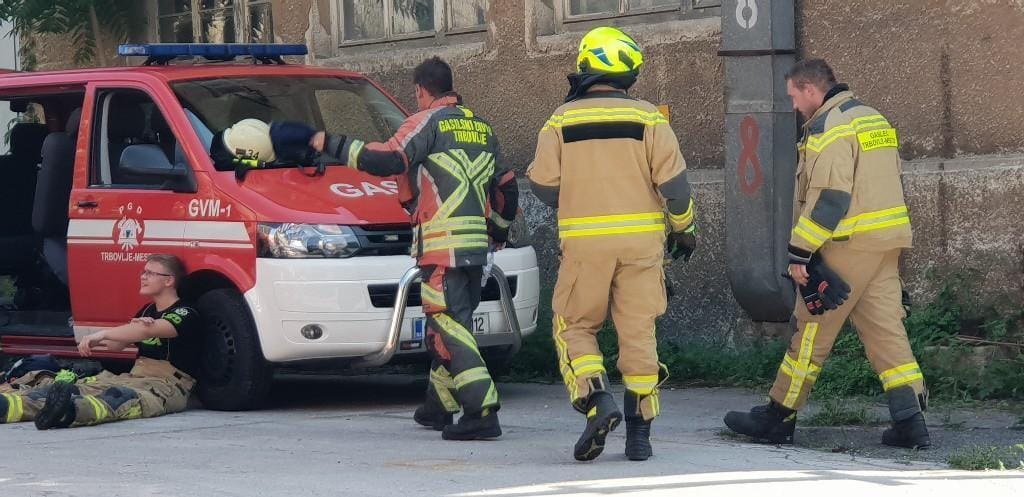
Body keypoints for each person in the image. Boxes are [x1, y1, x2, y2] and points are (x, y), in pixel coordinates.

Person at [268, 57, 518, 441]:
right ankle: (439, 406)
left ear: (421, 90)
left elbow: (384, 160)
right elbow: (508, 186)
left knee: (447, 325)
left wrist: (324, 141)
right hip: (475, 249)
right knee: (455, 325)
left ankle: (481, 409)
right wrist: (497, 233)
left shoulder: (425, 122)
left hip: (441, 249)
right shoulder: (480, 127)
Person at [723, 58, 929, 449]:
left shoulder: (829, 127)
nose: (794, 106)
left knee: (810, 329)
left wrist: (800, 254)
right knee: (887, 332)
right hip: (885, 242)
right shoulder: (872, 118)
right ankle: (911, 422)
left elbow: (830, 198)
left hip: (847, 243)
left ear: (810, 90)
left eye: (794, 97)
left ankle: (779, 416)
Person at [527, 26, 696, 461]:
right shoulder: (650, 119)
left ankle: (595, 398)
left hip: (586, 247)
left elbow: (543, 185)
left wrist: (579, 196)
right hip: (642, 246)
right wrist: (684, 229)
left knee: (574, 326)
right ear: (629, 73)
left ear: (586, 66)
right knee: (639, 334)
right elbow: (675, 187)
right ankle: (639, 436)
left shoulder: (561, 120)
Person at [0, 254, 200, 429]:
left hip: (166, 385)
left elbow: (158, 329)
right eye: (143, 271)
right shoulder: (146, 312)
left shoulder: (185, 311)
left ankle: (68, 413)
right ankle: (6, 407)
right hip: (134, 375)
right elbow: (117, 346)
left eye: (150, 273)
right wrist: (122, 333)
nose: (143, 276)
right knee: (68, 389)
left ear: (169, 281)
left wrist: (105, 334)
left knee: (118, 398)